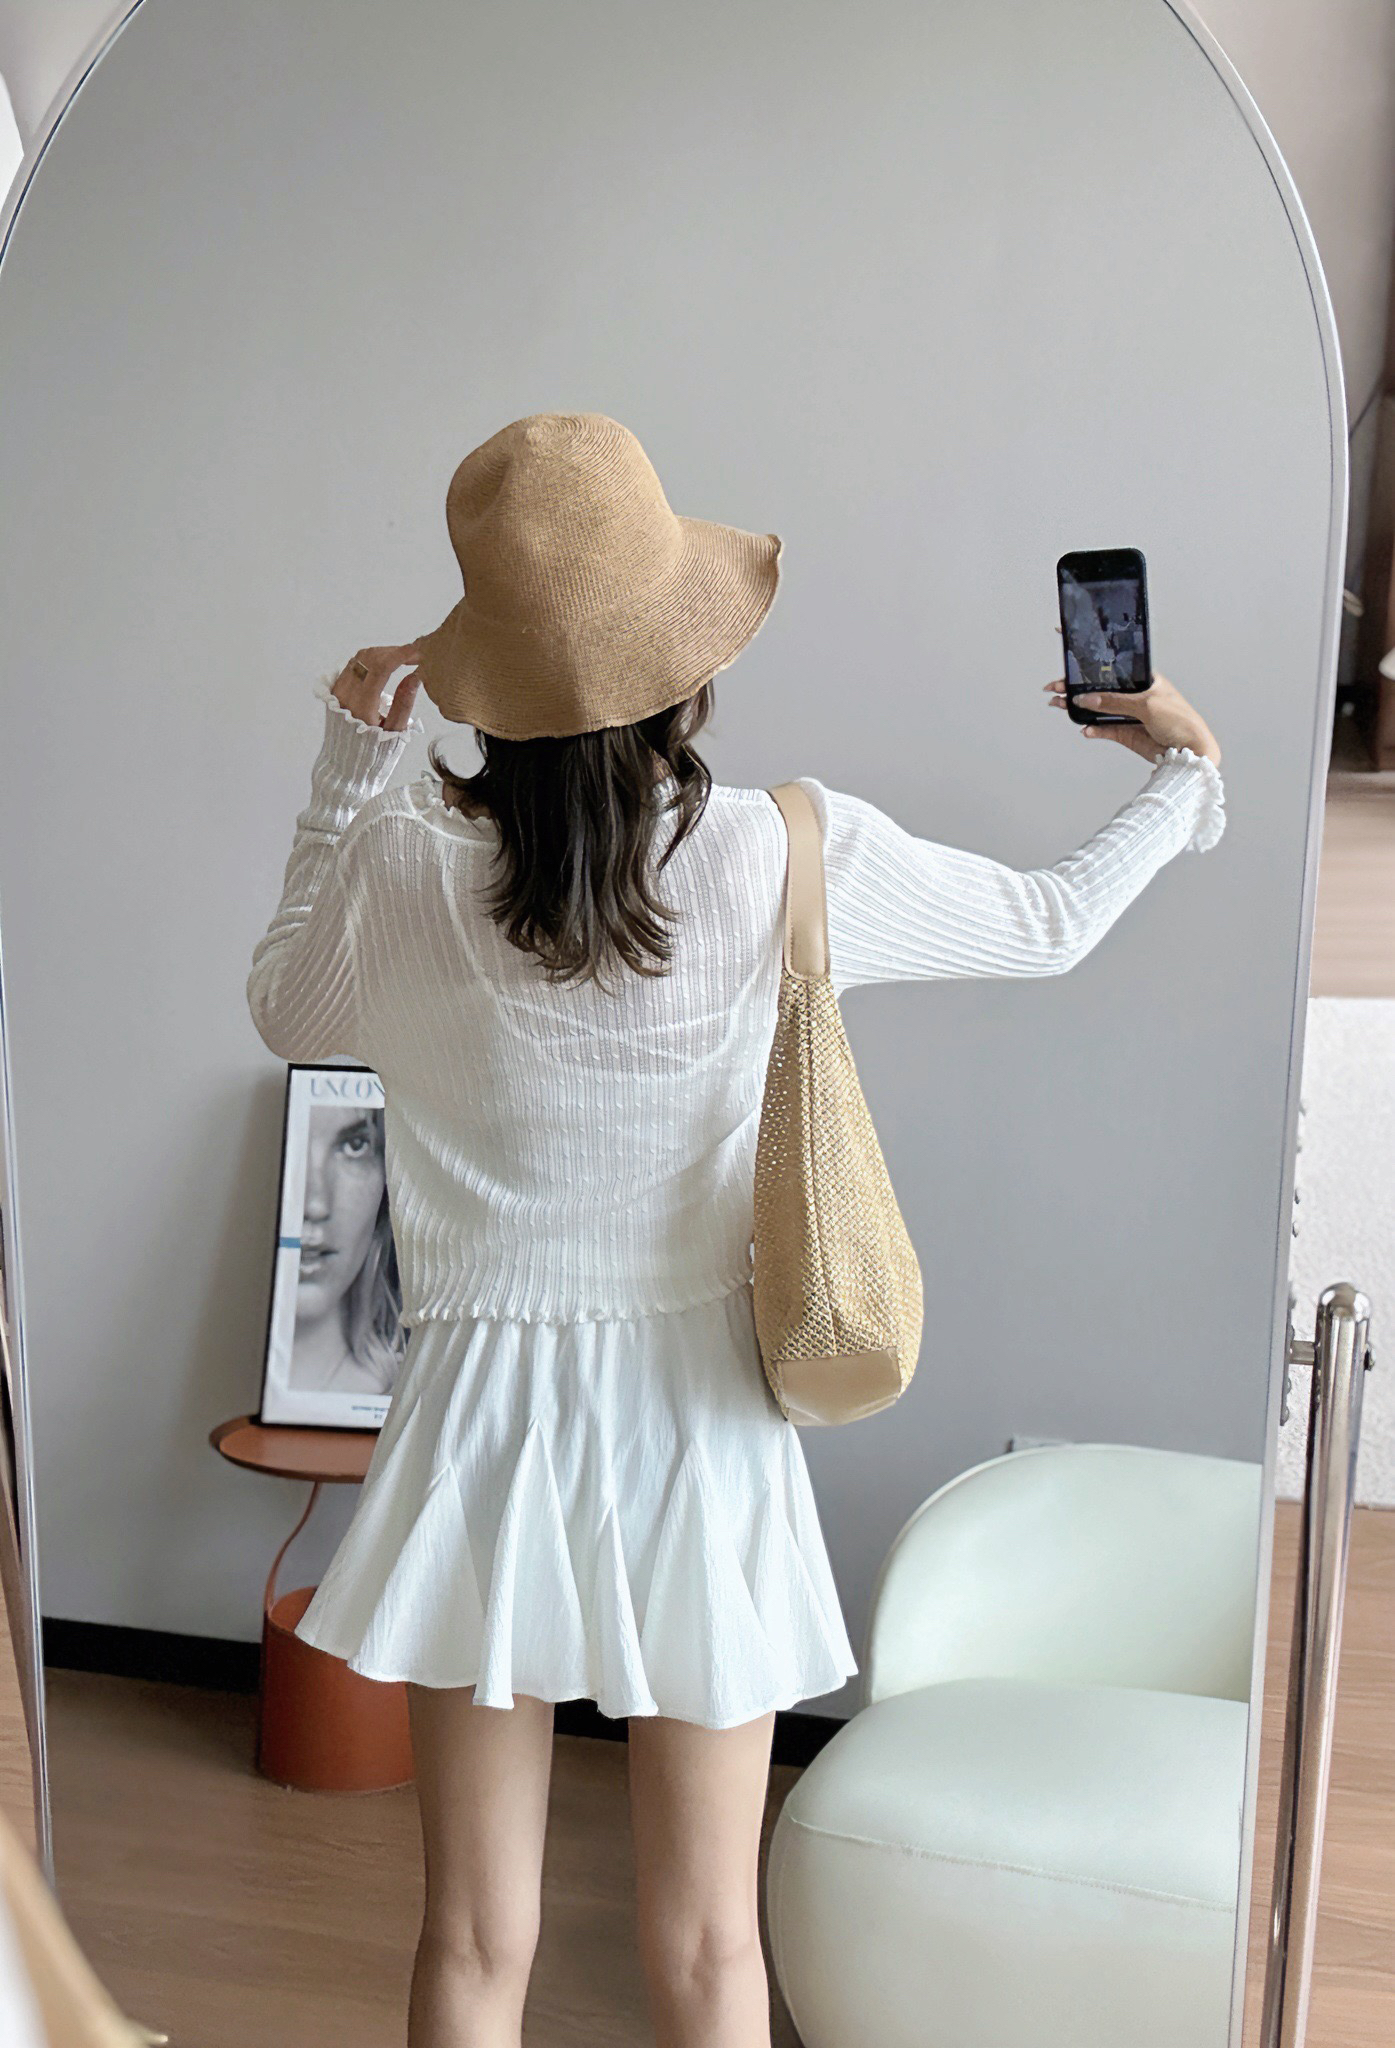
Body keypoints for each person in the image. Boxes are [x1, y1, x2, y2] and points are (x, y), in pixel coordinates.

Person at [245, 412, 1224, 2048]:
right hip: (699, 1426)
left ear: (483, 670)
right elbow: (1054, 924)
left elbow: (288, 1009)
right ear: (682, 666)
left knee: (473, 1939)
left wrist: (352, 762)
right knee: (710, 1946)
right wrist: (1186, 774)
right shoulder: (782, 850)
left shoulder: (404, 866)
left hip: (474, 1425)